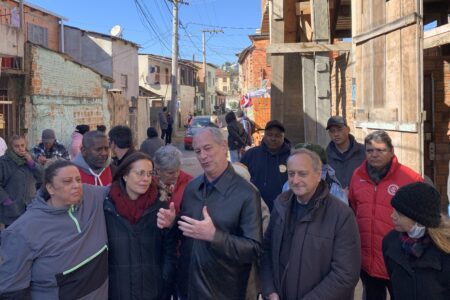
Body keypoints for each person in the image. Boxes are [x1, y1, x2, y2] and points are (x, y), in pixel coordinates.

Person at [159, 127, 262, 299]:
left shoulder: (247, 193)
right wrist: (173, 223)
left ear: (223, 147)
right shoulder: (192, 188)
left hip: (223, 292)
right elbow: (188, 234)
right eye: (198, 151)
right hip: (187, 289)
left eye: (207, 148)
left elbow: (253, 249)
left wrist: (215, 236)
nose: (202, 156)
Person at [0, 160, 109, 299]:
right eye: (67, 181)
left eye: (78, 179)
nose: (76, 185)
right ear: (50, 188)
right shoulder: (23, 231)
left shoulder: (91, 196)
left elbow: (121, 191)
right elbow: (11, 290)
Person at [260, 148, 360, 300]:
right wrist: (270, 290)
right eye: (291, 174)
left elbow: (345, 274)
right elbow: (266, 249)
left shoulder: (341, 215)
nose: (295, 180)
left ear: (318, 175)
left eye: (302, 174)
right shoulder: (281, 205)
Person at [348, 130, 424, 300]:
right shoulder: (357, 176)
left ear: (391, 151)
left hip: (399, 257)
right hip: (368, 258)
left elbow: (422, 213)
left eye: (380, 150)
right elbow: (354, 205)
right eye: (369, 150)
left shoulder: (410, 178)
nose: (374, 154)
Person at [104, 152, 177, 300]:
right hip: (117, 291)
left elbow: (169, 250)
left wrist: (164, 281)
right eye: (140, 173)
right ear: (125, 175)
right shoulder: (107, 207)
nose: (146, 179)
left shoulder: (160, 206)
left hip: (153, 291)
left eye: (149, 174)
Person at [383, 182, 450, 299]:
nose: (392, 216)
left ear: (419, 219)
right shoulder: (390, 241)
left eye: (399, 213)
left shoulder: (445, 249)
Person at [241, 120, 291, 211]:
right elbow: (239, 180)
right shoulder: (251, 155)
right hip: (255, 210)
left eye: (278, 135)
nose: (273, 138)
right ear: (264, 135)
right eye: (270, 135)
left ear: (283, 137)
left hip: (285, 211)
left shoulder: (292, 157)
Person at [282, 143, 348, 204]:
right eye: (291, 173)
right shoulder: (287, 186)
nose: (296, 181)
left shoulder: (334, 189)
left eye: (303, 173)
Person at [0, 135, 43, 227]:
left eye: (22, 145)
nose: (20, 148)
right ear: (11, 147)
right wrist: (5, 199)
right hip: (12, 208)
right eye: (17, 146)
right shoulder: (3, 162)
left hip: (30, 207)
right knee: (12, 237)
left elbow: (42, 177)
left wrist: (32, 163)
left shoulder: (31, 158)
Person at [326, 116, 365, 189]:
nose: (336, 134)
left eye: (339, 130)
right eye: (332, 131)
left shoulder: (363, 152)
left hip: (359, 198)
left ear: (348, 130)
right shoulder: (325, 156)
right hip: (334, 199)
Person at [153, 145, 192, 214]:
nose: (176, 175)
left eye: (178, 170)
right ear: (158, 170)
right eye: (170, 173)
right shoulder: (149, 182)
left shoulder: (190, 182)